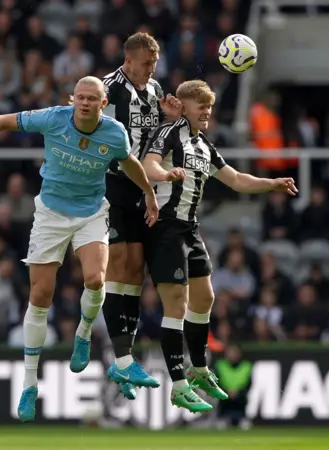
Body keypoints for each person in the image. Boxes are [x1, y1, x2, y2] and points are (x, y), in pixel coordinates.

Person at [0, 76, 159, 422]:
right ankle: (29, 383)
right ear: (72, 99)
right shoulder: (52, 117)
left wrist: (150, 194)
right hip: (50, 214)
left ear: (103, 104)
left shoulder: (114, 133)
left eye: (93, 98)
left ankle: (82, 335)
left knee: (95, 279)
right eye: (80, 97)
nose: (85, 102)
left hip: (92, 211)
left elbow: (129, 162)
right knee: (40, 295)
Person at [141, 80, 297, 413]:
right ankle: (179, 385)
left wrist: (272, 183)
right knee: (176, 304)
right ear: (184, 108)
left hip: (190, 228)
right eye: (202, 106)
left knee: (206, 297)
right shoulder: (169, 133)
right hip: (166, 228)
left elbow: (236, 179)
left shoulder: (204, 146)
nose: (208, 112)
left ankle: (199, 369)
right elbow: (148, 164)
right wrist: (164, 176)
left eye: (210, 107)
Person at [101, 32, 183, 401]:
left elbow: (157, 138)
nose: (152, 69)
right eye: (146, 63)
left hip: (142, 187)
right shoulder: (108, 88)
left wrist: (170, 118)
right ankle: (120, 357)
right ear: (129, 60)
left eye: (154, 63)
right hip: (111, 185)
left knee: (135, 269)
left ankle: (125, 358)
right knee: (119, 264)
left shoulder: (154, 90)